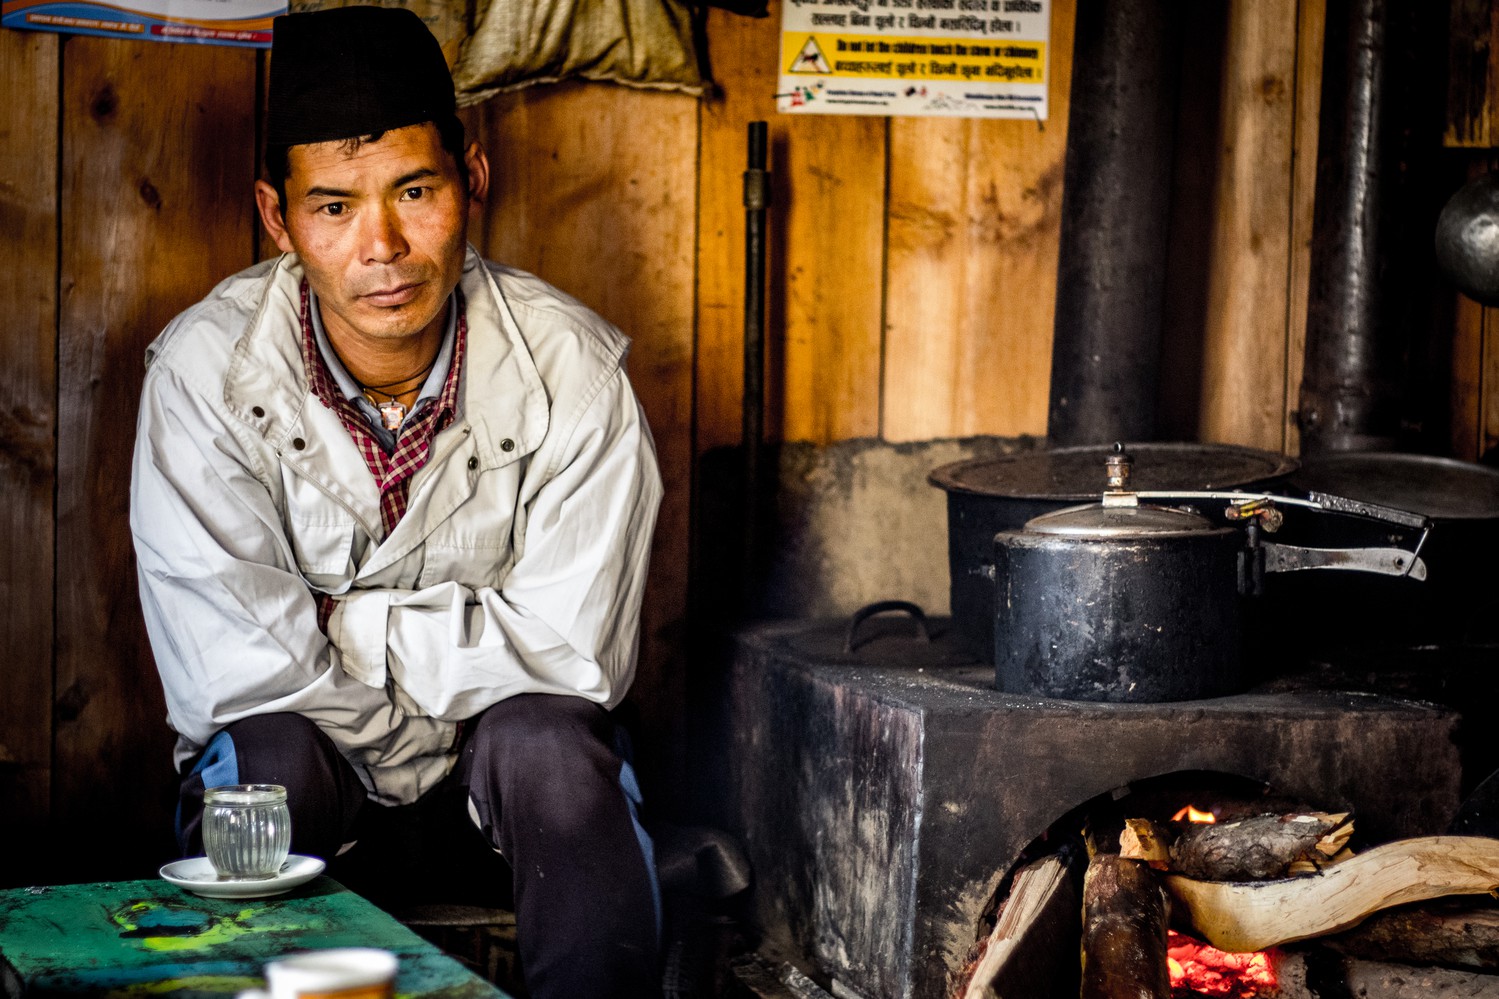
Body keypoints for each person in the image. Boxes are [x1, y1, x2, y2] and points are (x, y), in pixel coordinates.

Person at [128, 7, 664, 998]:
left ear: (473, 181)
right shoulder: (205, 371)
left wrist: (354, 629)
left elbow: (575, 654)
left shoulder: (571, 368)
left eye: (414, 191)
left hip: (504, 788)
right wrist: (452, 658)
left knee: (552, 743)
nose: (381, 246)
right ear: (277, 218)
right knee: (263, 761)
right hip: (311, 772)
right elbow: (235, 675)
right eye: (333, 207)